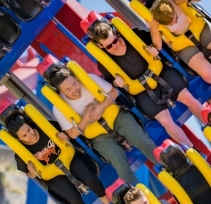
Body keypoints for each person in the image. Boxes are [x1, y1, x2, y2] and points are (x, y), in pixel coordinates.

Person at [0, 105, 115, 204]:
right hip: (53, 175)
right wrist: (31, 172)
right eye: (24, 135)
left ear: (29, 125)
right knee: (74, 198)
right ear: (19, 139)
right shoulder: (21, 155)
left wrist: (63, 136)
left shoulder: (47, 127)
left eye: (28, 130)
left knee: (90, 179)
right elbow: (30, 176)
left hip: (68, 159)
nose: (30, 135)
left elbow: (68, 136)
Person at [86, 17, 203, 147]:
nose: (115, 45)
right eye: (109, 46)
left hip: (160, 74)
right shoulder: (103, 64)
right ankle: (193, 151)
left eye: (115, 40)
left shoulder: (136, 35)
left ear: (115, 32)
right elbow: (109, 84)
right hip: (141, 92)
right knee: (166, 121)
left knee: (188, 98)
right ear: (100, 46)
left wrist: (154, 48)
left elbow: (158, 42)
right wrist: (115, 83)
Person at [42, 60, 160, 184]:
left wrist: (99, 108)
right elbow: (72, 134)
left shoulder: (90, 79)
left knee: (142, 140)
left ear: (76, 78)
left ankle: (169, 169)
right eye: (68, 90)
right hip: (98, 136)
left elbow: (114, 92)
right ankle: (138, 196)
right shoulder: (58, 107)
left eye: (75, 84)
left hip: (117, 118)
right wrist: (87, 116)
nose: (75, 90)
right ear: (61, 92)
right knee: (119, 161)